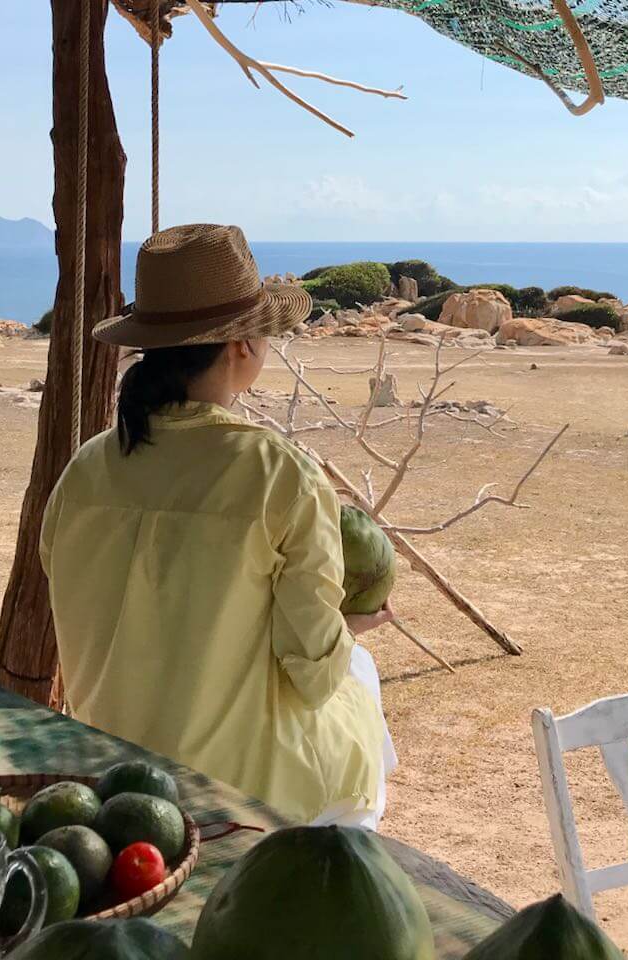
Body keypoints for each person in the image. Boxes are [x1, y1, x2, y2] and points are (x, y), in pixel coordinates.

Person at [40, 223, 397, 828]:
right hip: (235, 787)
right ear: (241, 345)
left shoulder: (86, 468)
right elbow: (311, 674)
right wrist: (350, 628)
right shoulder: (281, 474)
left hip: (112, 765)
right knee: (358, 689)